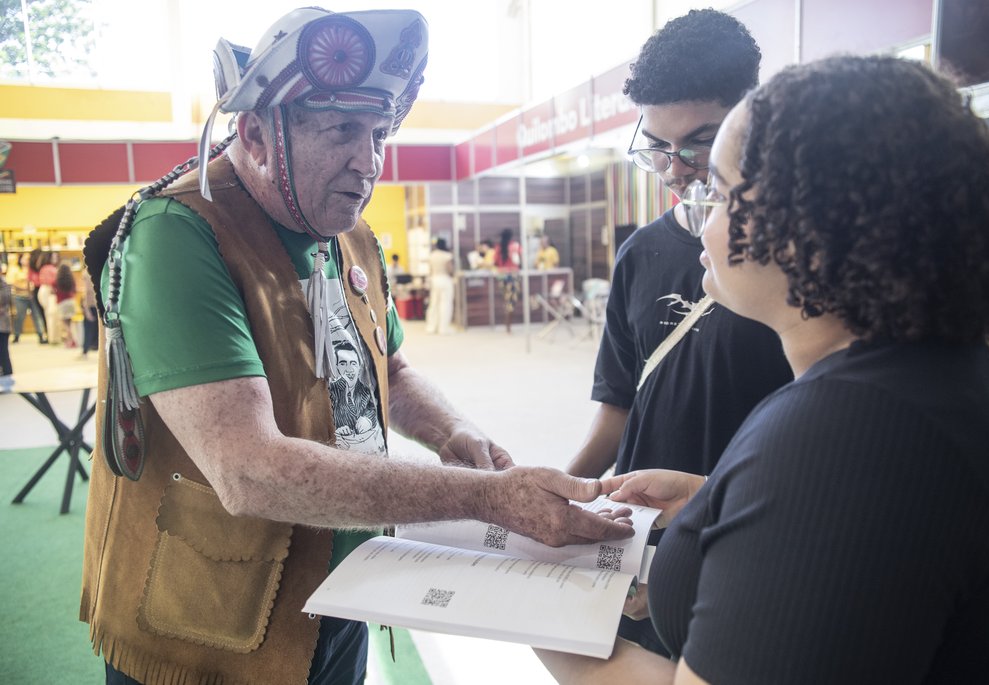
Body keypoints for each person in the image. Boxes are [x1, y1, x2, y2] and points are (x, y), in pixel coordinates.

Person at [79, 9, 632, 685]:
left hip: (340, 595)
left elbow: (388, 370)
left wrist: (452, 429)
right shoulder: (176, 233)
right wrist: (486, 497)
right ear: (254, 131)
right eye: (343, 130)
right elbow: (246, 467)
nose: (367, 162)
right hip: (205, 630)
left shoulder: (347, 233)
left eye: (378, 134)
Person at [539, 55, 989, 684]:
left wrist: (537, 609)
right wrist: (714, 498)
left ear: (801, 227)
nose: (699, 218)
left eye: (715, 190)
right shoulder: (926, 375)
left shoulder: (840, 435)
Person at [564, 9, 792, 656]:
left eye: (699, 144)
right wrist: (561, 498)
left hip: (745, 549)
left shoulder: (792, 258)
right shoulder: (640, 253)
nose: (676, 170)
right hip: (639, 541)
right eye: (658, 148)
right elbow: (618, 406)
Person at [8, 253, 46, 344]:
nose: (26, 261)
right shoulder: (15, 270)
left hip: (32, 296)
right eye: (25, 259)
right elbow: (11, 283)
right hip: (19, 296)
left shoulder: (33, 270)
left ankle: (41, 335)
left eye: (28, 259)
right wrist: (24, 288)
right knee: (20, 316)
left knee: (36, 315)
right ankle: (16, 335)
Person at [425, 236, 455, 335]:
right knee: (445, 304)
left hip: (434, 280)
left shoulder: (431, 256)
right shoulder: (447, 255)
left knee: (434, 304)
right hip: (445, 280)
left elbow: (430, 270)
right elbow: (450, 270)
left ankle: (431, 327)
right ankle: (443, 328)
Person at [493, 227, 521, 333]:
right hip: (512, 275)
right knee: (511, 301)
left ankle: (507, 324)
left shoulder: (498, 247)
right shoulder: (515, 246)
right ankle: (508, 326)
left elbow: (495, 262)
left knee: (505, 299)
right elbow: (518, 261)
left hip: (501, 275)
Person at [26, 247, 48, 343]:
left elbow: (29, 280)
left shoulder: (42, 266)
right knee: (41, 313)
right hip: (40, 289)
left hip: (39, 289)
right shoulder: (34, 266)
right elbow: (29, 279)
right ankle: (45, 333)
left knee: (42, 313)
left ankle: (47, 333)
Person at [54, 262, 77, 348]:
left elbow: (53, 291)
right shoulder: (71, 279)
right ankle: (72, 340)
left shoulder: (56, 281)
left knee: (64, 323)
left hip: (62, 303)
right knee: (70, 323)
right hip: (71, 301)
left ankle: (70, 340)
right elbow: (75, 290)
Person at [80, 267, 98, 357]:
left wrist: (86, 308)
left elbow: (87, 291)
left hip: (91, 304)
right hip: (98, 303)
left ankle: (85, 350)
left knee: (88, 329)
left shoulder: (87, 272)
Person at [0, 266, 12, 376]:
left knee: (3, 352)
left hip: (2, 325)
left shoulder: (4, 286)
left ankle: (8, 374)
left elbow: (3, 305)